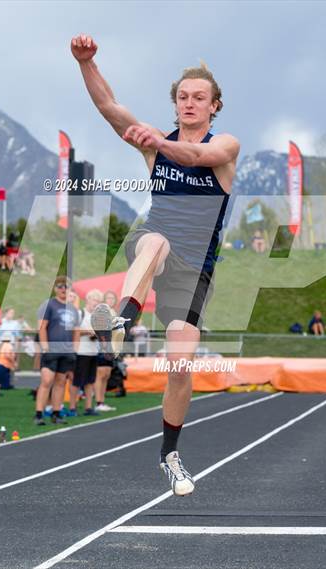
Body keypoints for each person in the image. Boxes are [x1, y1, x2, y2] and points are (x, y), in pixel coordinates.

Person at [72, 34, 240, 495]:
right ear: (176, 103)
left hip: (196, 268)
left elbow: (199, 156)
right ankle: (122, 319)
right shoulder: (155, 143)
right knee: (156, 241)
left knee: (180, 365)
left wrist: (156, 145)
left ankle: (169, 454)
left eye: (199, 98)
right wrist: (87, 63)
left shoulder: (224, 145)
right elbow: (110, 108)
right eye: (183, 97)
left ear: (214, 106)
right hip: (154, 244)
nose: (190, 103)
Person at [34, 276, 80, 425]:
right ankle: (39, 414)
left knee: (61, 382)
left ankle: (56, 413)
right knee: (46, 381)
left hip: (67, 351)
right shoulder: (49, 305)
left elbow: (76, 331)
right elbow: (42, 327)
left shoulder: (73, 309)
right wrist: (45, 346)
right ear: (55, 288)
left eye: (66, 286)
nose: (63, 289)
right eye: (60, 286)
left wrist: (75, 349)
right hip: (51, 349)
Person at [69, 289, 103, 416]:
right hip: (80, 352)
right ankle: (72, 408)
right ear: (88, 300)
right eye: (95, 300)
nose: (97, 303)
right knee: (76, 382)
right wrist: (88, 331)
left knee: (90, 381)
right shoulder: (79, 313)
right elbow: (73, 331)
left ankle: (88, 408)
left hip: (93, 352)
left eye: (99, 301)